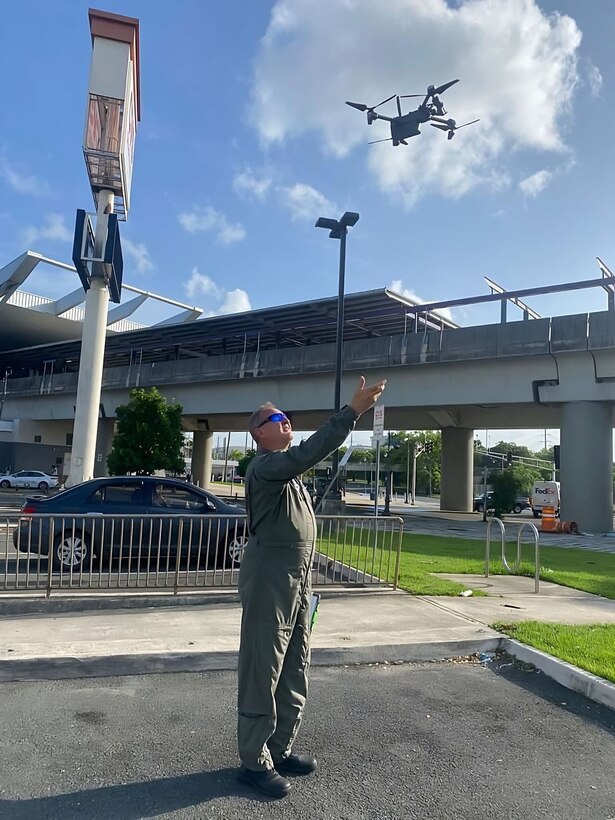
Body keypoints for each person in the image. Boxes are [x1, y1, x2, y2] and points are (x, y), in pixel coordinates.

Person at [237, 375, 387, 798]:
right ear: (259, 433)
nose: (285, 421)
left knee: (294, 665)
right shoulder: (267, 467)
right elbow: (307, 453)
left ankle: (279, 748)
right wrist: (351, 411)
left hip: (297, 582)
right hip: (270, 579)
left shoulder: (291, 475)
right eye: (276, 418)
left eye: (286, 417)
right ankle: (253, 760)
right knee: (262, 668)